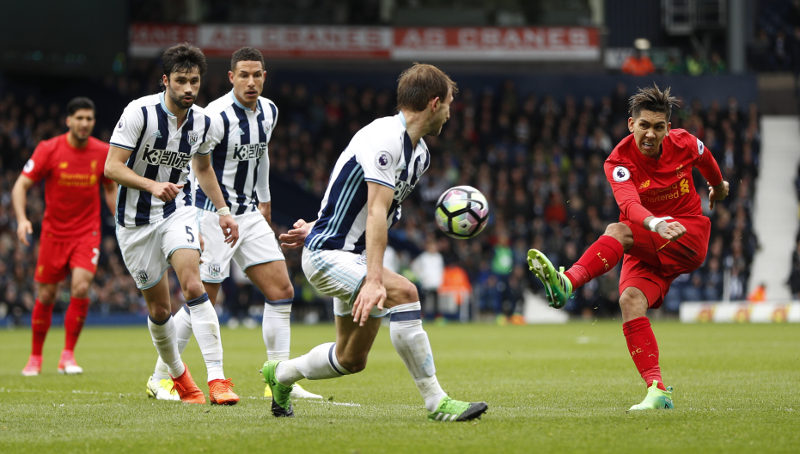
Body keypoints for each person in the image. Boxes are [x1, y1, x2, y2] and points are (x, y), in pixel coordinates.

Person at [266, 63, 488, 422]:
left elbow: (355, 195)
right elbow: (375, 212)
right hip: (329, 255)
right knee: (406, 292)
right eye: (448, 104)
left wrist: (321, 223)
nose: (450, 112)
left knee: (350, 359)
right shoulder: (384, 138)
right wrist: (373, 279)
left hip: (349, 253)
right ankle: (437, 402)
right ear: (434, 103)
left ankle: (279, 375)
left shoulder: (420, 155)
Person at [527, 84, 729, 411]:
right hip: (650, 236)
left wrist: (718, 187)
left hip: (687, 235)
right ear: (631, 124)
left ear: (668, 128)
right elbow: (629, 203)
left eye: (659, 127)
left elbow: (707, 161)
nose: (651, 134)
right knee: (630, 300)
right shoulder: (618, 161)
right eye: (645, 125)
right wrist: (655, 224)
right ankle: (657, 389)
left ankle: (568, 283)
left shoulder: (685, 143)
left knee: (618, 231)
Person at [146, 47, 320, 401]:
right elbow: (199, 167)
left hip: (249, 213)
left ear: (264, 77)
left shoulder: (269, 111)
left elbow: (262, 155)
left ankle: (280, 376)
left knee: (281, 291)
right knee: (203, 299)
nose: (251, 81)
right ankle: (160, 376)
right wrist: (199, 219)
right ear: (231, 77)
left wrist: (265, 198)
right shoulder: (214, 116)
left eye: (257, 75)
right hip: (212, 215)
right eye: (244, 75)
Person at [105, 43, 240, 405]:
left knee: (194, 284)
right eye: (180, 81)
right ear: (166, 80)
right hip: (134, 223)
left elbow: (204, 168)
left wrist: (224, 210)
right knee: (160, 311)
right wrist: (152, 185)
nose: (188, 89)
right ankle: (178, 377)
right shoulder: (139, 112)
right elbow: (111, 167)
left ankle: (217, 380)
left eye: (194, 81)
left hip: (176, 212)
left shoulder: (204, 123)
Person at [14, 97, 117, 376]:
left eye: (89, 119)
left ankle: (67, 355)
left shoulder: (102, 151)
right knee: (47, 294)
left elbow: (110, 188)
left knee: (81, 288)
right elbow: (20, 186)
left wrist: (119, 219)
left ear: (94, 122)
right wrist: (23, 220)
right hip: (53, 234)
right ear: (68, 120)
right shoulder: (49, 149)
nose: (85, 124)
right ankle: (35, 357)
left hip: (87, 232)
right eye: (79, 118)